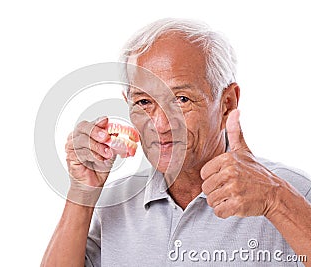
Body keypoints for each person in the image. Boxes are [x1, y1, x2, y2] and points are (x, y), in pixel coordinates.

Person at [41, 18, 311, 266]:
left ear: (227, 103)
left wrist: (277, 201)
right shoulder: (114, 202)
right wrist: (82, 193)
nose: (160, 125)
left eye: (181, 100)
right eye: (144, 102)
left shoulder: (294, 194)